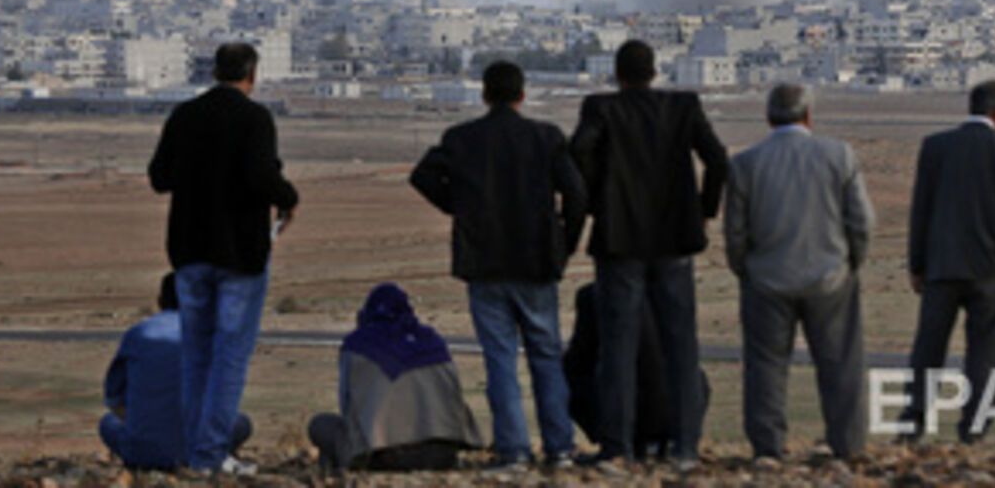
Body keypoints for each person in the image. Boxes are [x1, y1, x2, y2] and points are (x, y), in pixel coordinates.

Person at [410, 61, 587, 471]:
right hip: (537, 263)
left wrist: (460, 208)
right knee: (546, 355)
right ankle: (560, 448)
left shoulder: (462, 139)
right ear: (522, 95)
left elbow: (422, 176)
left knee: (500, 359)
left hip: (485, 263)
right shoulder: (545, 137)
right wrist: (565, 246)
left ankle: (514, 451)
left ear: (484, 95)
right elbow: (576, 195)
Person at [569, 39, 728, 473]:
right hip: (675, 240)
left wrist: (595, 197)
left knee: (618, 348)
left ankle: (615, 448)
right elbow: (717, 159)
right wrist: (704, 209)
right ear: (654, 71)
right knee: (682, 345)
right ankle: (685, 449)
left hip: (620, 241)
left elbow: (579, 150)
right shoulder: (683, 107)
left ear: (618, 74)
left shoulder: (601, 109)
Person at [148, 41, 299, 476]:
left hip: (189, 250)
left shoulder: (185, 116)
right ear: (251, 75)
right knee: (229, 356)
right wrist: (288, 197)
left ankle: (199, 451)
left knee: (196, 355)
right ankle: (210, 454)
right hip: (241, 253)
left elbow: (161, 178)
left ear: (214, 72)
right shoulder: (255, 118)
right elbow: (260, 175)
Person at [724, 84, 874, 464]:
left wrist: (745, 269)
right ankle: (847, 445)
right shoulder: (838, 155)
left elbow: (735, 231)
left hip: (766, 279)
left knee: (766, 366)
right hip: (830, 278)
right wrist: (851, 262)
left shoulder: (746, 163)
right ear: (808, 116)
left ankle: (767, 448)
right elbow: (861, 221)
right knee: (840, 362)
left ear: (768, 117)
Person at [901, 79, 995, 443]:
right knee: (986, 355)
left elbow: (921, 209)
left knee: (928, 349)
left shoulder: (936, 147)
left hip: (941, 268)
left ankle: (912, 425)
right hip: (991, 271)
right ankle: (974, 430)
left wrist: (917, 263)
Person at [307, 283, 483, 472]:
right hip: (443, 455)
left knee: (319, 425)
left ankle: (335, 471)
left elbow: (348, 405)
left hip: (386, 458)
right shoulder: (433, 342)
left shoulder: (357, 345)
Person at [99, 273, 252, 470]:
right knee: (242, 424)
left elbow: (114, 399)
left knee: (107, 423)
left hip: (142, 453)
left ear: (160, 301)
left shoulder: (138, 334)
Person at [561, 281, 711, 460]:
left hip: (626, 412)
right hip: (676, 412)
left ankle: (616, 444)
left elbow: (577, 360)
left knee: (567, 376)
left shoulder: (593, 295)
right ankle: (680, 443)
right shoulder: (673, 293)